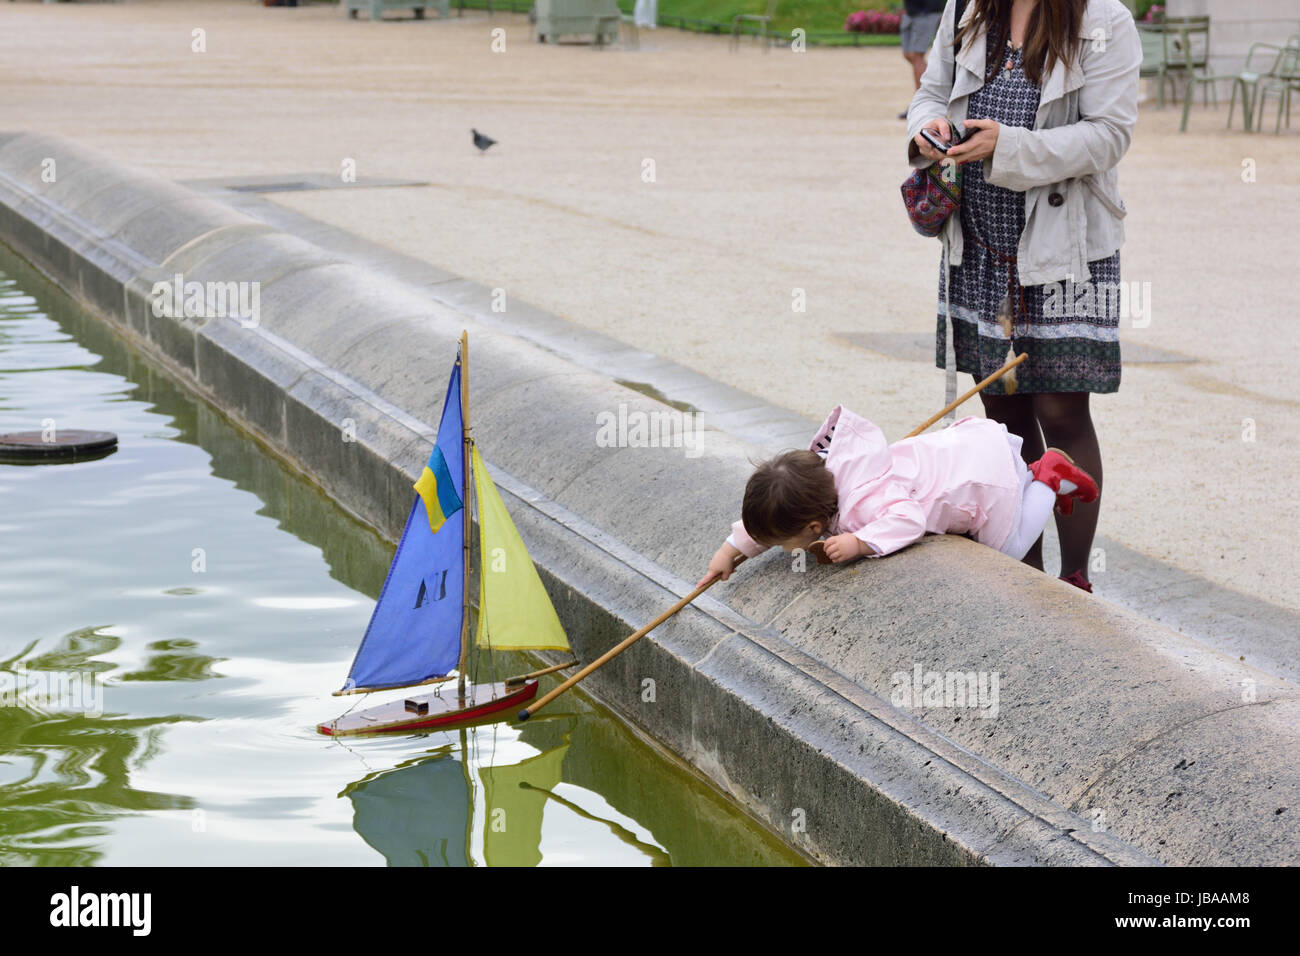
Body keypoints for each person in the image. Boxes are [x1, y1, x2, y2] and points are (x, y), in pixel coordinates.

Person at [904, 0, 1141, 593]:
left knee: (1061, 409)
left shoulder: (1103, 19)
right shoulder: (965, 10)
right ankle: (1024, 577)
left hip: (1066, 251)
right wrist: (927, 129)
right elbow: (930, 93)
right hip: (980, 250)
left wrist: (1005, 146)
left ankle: (1076, 580)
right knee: (1004, 414)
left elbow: (1109, 136)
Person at [700, 405, 1096, 585]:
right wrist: (730, 551)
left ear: (815, 527)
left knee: (1010, 548)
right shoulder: (823, 473)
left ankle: (1047, 477)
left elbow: (909, 519)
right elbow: (774, 517)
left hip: (979, 483)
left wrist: (861, 542)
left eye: (786, 544)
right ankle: (1031, 482)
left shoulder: (866, 503)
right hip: (967, 455)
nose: (784, 549)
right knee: (1014, 499)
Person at [899, 0, 948, 118]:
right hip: (911, 11)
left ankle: (921, 104)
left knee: (916, 56)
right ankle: (934, 89)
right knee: (909, 54)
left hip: (927, 12)